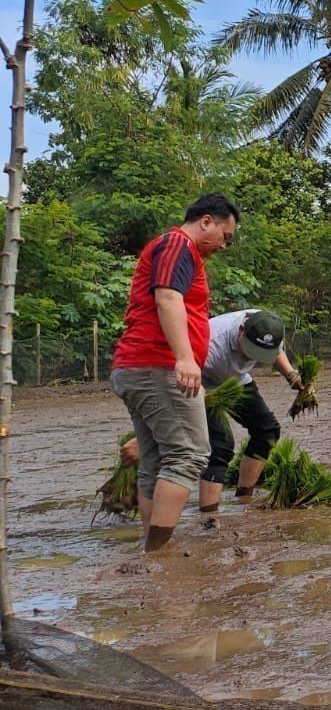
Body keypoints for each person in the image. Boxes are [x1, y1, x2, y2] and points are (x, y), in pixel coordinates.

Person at [109, 193, 240, 552]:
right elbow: (167, 297)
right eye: (225, 237)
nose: (224, 246)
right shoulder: (176, 245)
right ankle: (159, 552)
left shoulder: (178, 250)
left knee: (155, 460)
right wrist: (184, 358)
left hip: (138, 366)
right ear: (207, 222)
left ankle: (152, 550)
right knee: (190, 454)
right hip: (158, 366)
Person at [198, 309, 307, 511]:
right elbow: (182, 374)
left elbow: (276, 353)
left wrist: (293, 377)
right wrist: (201, 399)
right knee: (220, 444)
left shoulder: (271, 328)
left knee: (267, 431)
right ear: (241, 331)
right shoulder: (211, 342)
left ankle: (243, 498)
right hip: (200, 383)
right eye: (250, 348)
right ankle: (208, 515)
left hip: (236, 381)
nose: (251, 356)